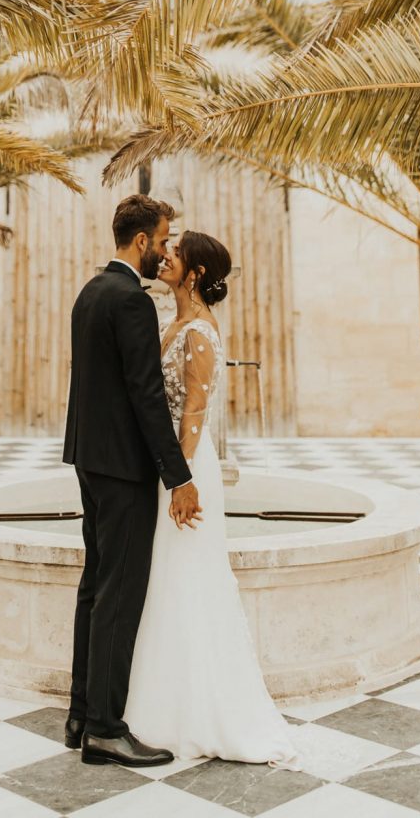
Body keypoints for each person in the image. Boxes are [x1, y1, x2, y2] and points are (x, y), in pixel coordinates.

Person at [123, 230, 300, 767]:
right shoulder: (174, 320)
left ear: (195, 272)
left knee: (188, 574)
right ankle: (163, 701)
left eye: (173, 255)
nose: (163, 257)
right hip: (169, 464)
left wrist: (180, 480)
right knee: (168, 575)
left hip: (185, 465)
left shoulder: (199, 329)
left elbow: (195, 411)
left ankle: (198, 711)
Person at [62, 194, 202, 768]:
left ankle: (78, 714)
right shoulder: (133, 302)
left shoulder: (91, 292)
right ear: (141, 241)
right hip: (124, 469)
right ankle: (104, 728)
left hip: (91, 461)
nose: (167, 249)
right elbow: (145, 397)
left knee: (95, 587)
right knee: (120, 597)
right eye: (164, 239)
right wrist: (179, 476)